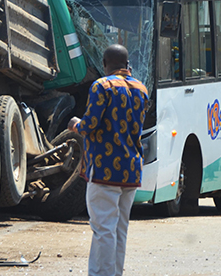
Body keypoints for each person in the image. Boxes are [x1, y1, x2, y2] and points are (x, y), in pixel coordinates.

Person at [68, 44, 147, 276]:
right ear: (127, 64)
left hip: (104, 169)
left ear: (104, 64)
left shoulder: (101, 86)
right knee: (120, 229)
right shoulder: (141, 89)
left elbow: (90, 124)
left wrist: (75, 125)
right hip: (131, 170)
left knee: (103, 228)